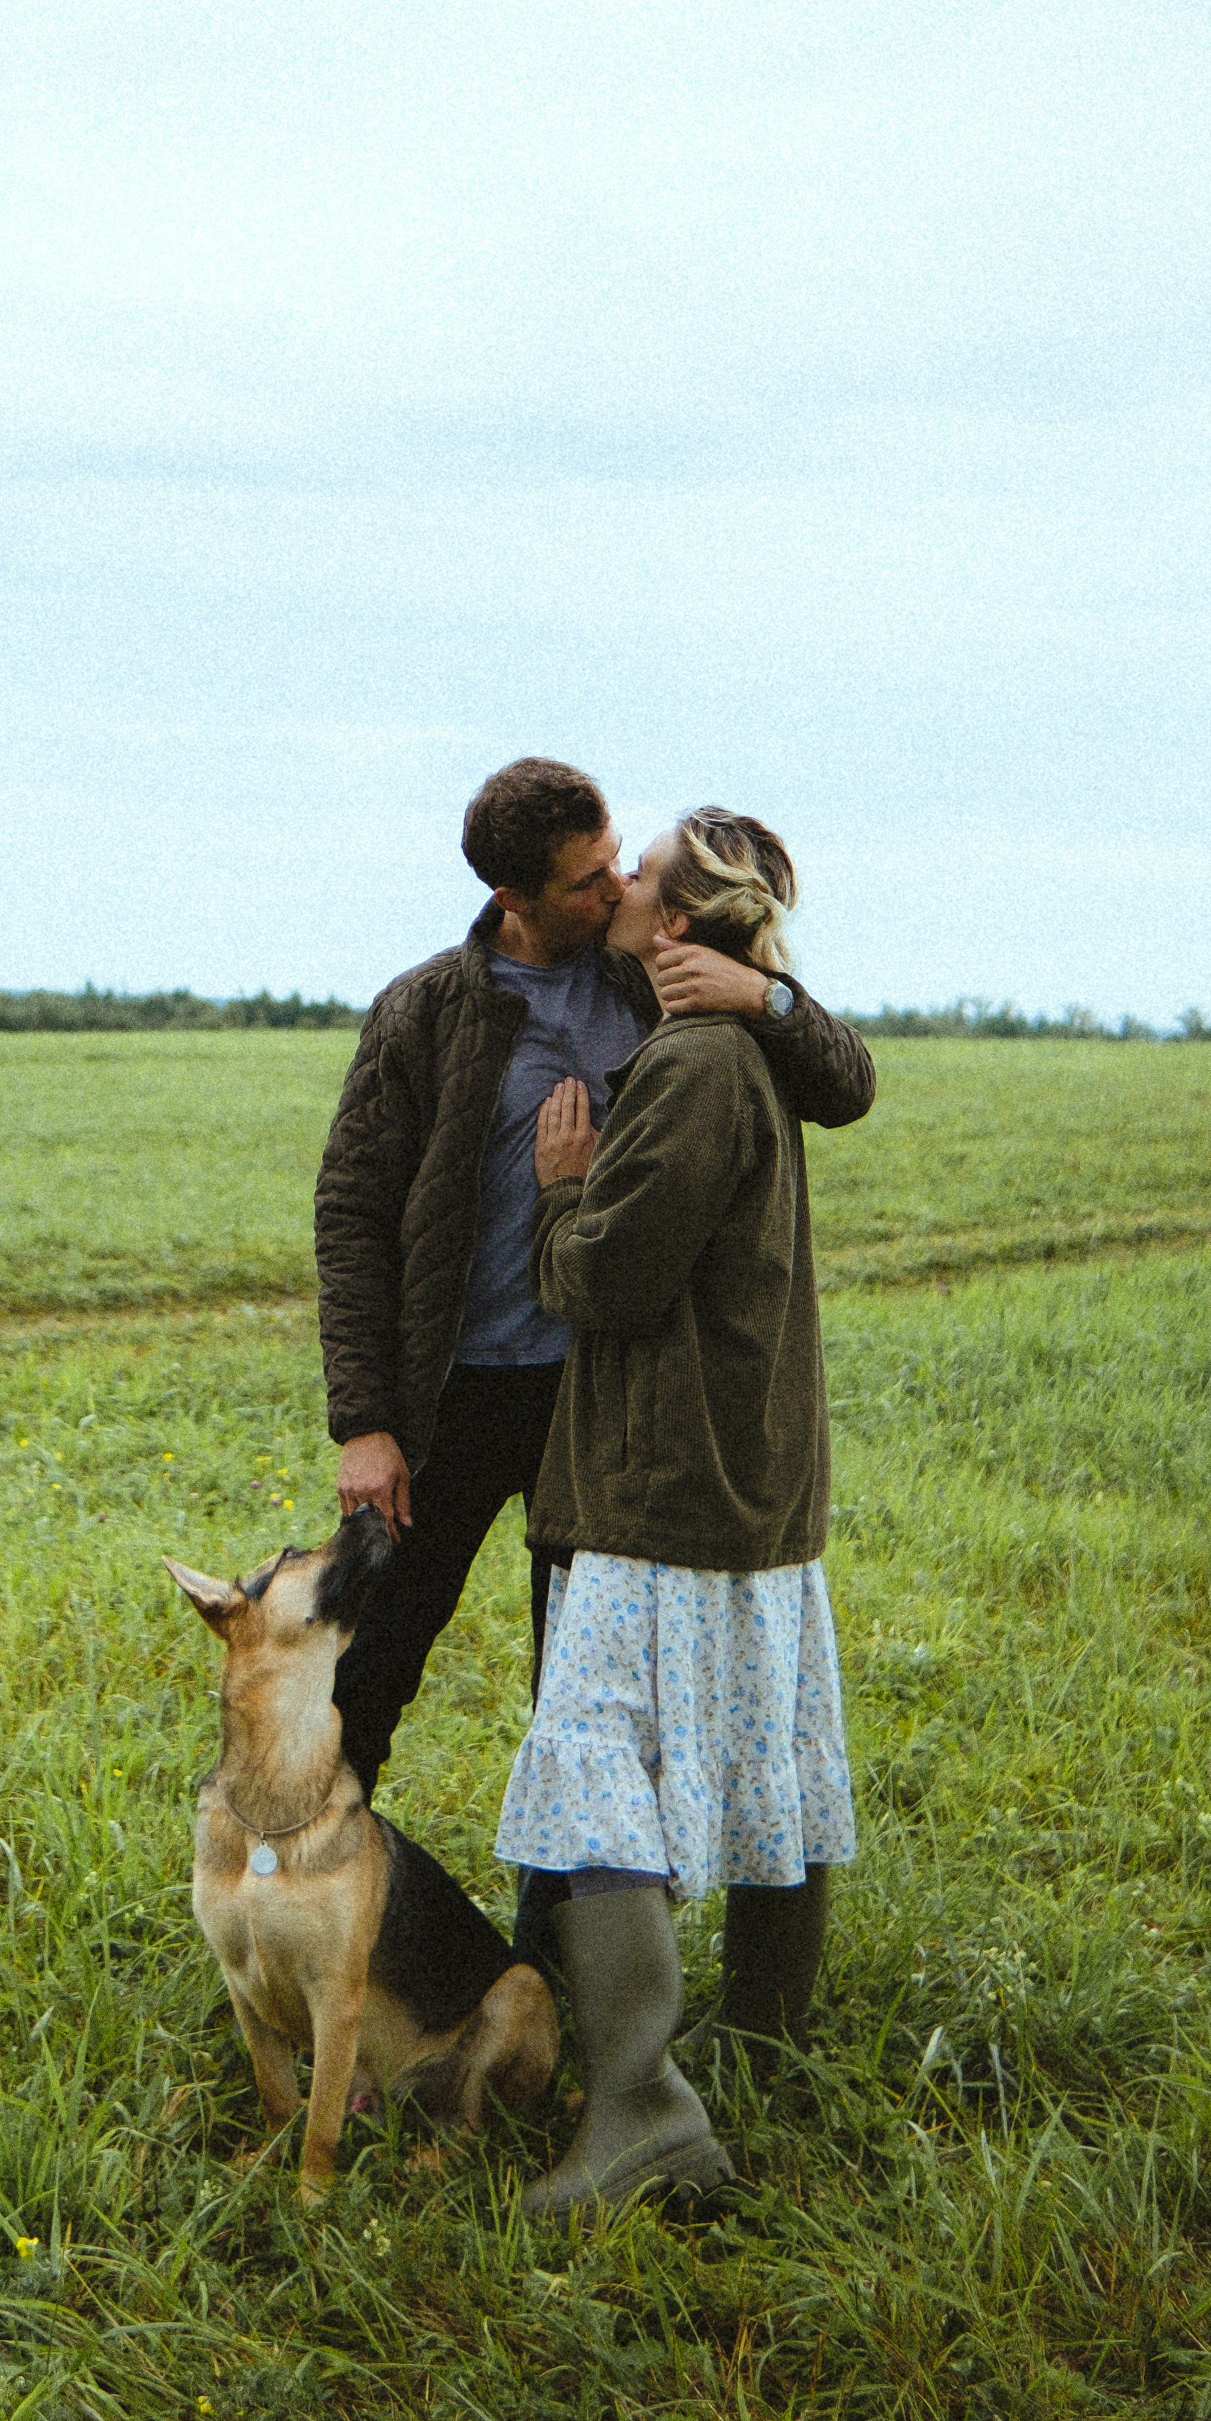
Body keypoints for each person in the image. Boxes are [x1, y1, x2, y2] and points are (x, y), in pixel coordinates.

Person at [315, 759, 874, 1811]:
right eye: (585, 878)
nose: (616, 886)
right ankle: (304, 1909)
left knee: (583, 1692)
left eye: (617, 858)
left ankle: (561, 1945)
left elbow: (844, 1084)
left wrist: (767, 993)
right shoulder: (424, 1009)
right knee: (367, 1668)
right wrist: (364, 1421)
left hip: (600, 1400)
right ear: (509, 898)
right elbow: (349, 1217)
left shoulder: (657, 979)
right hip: (450, 1399)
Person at [496, 808, 856, 2215]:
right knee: (770, 1742)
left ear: (683, 920)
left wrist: (557, 1204)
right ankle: (761, 2052)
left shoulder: (700, 1065)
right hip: (742, 1478)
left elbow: (613, 1283)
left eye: (639, 872)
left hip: (664, 1484)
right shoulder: (737, 1046)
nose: (619, 884)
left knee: (590, 1756)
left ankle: (643, 2109)